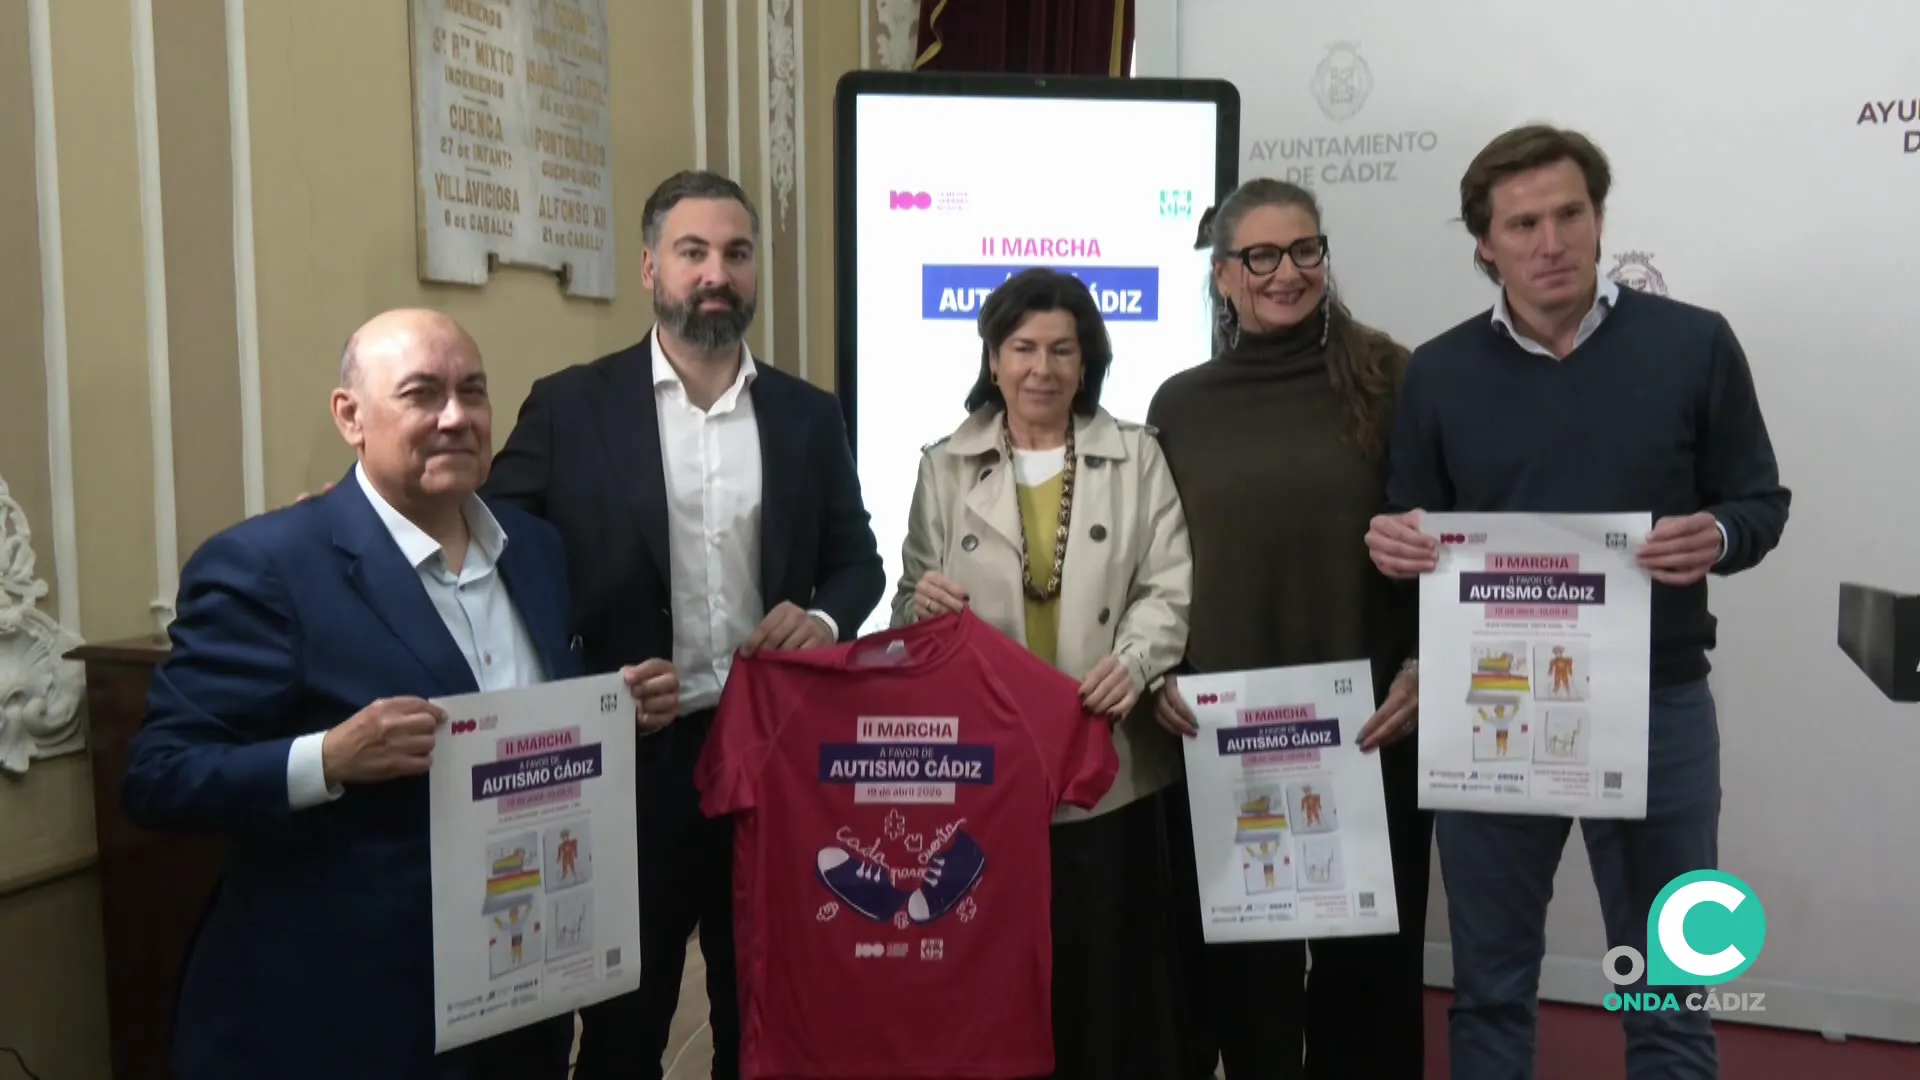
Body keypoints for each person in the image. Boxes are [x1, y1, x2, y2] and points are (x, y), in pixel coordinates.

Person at [120, 309, 679, 1080]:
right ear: (350, 416)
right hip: (344, 1018)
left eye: (472, 392)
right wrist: (330, 757)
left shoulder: (537, 552)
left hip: (518, 997)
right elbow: (158, 777)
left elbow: (510, 723)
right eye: (422, 394)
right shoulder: (267, 566)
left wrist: (612, 712)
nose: (455, 417)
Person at [1365, 124, 1791, 1080]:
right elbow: (1411, 520)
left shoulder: (1694, 344)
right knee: (1489, 990)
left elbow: (1761, 502)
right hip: (1492, 710)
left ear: (1600, 222)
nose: (1550, 241)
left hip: (1659, 704)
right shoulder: (1437, 372)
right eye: (1523, 224)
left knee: (1667, 992)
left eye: (1569, 215)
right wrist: (1394, 541)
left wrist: (1718, 535)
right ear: (1486, 244)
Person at [482, 169, 886, 1080]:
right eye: (694, 251)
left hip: (771, 755)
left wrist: (825, 617)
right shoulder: (570, 404)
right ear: (650, 267)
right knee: (627, 1020)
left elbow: (857, 559)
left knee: (763, 1006)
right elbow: (494, 549)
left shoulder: (808, 415)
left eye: (736, 254)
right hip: (635, 758)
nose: (717, 273)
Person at [1144, 178, 1430, 1079]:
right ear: (1224, 275)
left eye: (1305, 249)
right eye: (1261, 256)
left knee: (1368, 982)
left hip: (1375, 729)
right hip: (1228, 742)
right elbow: (1157, 566)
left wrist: (1426, 662)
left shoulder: (1393, 377)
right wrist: (1158, 672)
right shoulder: (1180, 404)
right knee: (1243, 984)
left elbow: (1443, 535)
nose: (1287, 272)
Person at [892, 267, 1194, 1080]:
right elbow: (906, 601)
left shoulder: (1136, 458)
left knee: (1102, 976)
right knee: (988, 970)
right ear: (993, 359)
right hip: (984, 776)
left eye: (1064, 349)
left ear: (1088, 360)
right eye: (1023, 347)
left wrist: (1135, 661)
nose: (1043, 368)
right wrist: (919, 604)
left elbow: (1167, 587)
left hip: (1108, 762)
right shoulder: (944, 467)